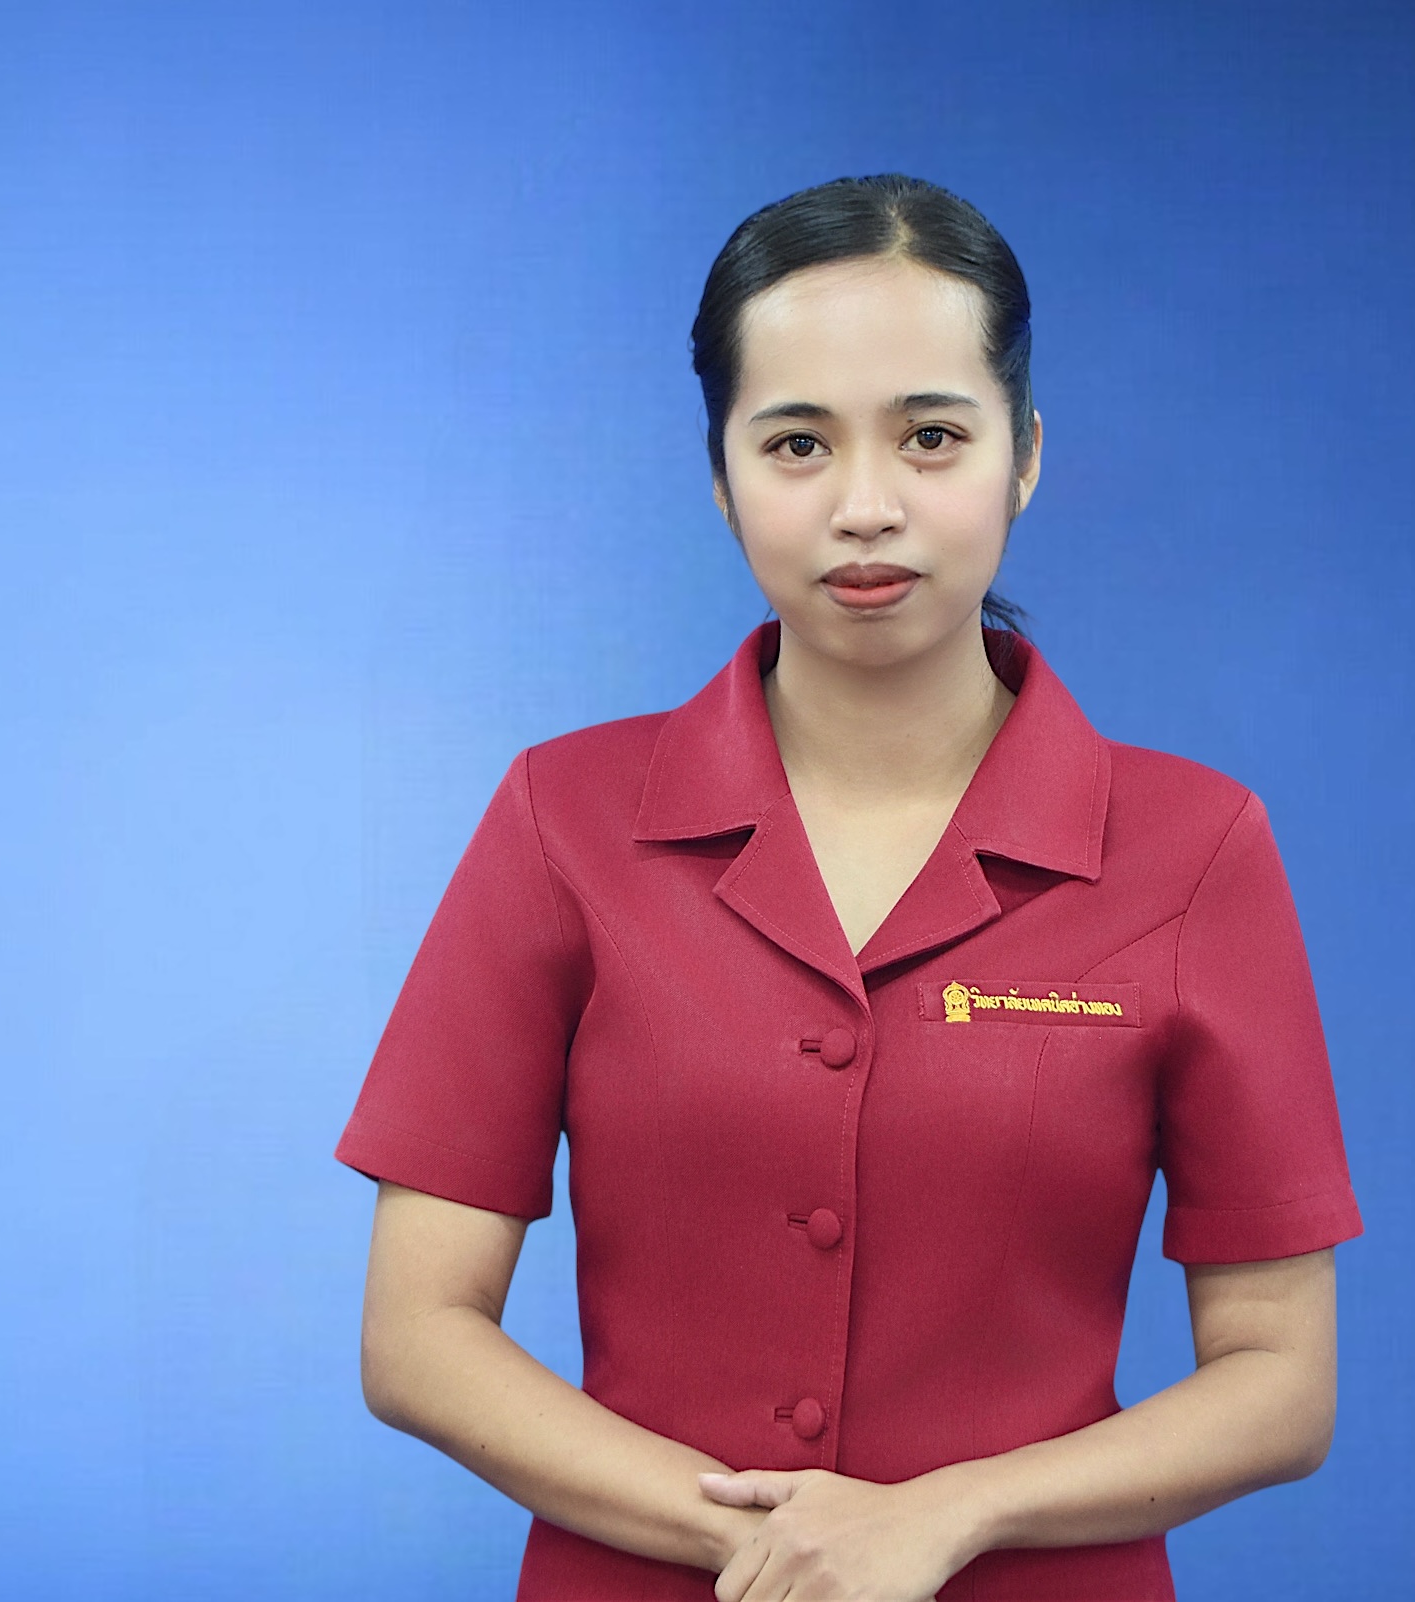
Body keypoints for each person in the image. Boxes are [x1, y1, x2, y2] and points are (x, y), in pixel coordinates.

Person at [338, 174, 1363, 1602]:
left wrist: (953, 1513)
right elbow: (418, 1332)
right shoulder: (561, 819)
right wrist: (761, 1543)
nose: (866, 507)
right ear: (721, 474)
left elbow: (1280, 1376)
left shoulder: (1192, 847)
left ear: (1025, 454)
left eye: (932, 437)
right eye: (798, 443)